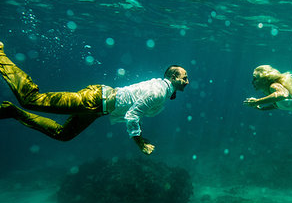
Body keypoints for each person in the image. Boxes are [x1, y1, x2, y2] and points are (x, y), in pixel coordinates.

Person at [0, 41, 189, 155]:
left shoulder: (162, 88)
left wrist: (172, 92)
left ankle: (12, 111)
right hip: (94, 100)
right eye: (185, 78)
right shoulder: (158, 91)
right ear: (173, 77)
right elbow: (132, 115)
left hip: (98, 107)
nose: (188, 82)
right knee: (31, 99)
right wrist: (140, 142)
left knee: (64, 135)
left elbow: (157, 96)